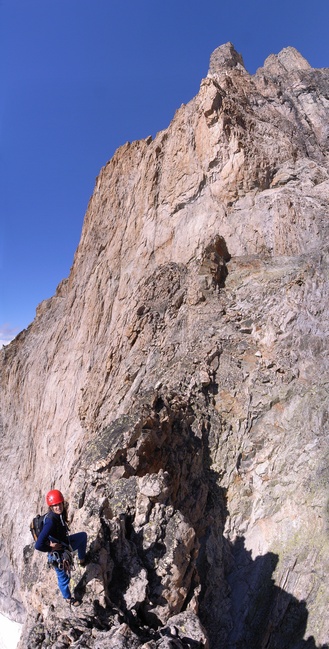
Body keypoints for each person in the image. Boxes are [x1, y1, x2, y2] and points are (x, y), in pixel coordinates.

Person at [35, 489, 87, 606]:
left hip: (64, 545)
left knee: (82, 537)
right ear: (51, 507)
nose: (58, 507)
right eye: (55, 505)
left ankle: (82, 560)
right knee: (63, 578)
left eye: (59, 504)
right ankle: (68, 598)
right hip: (57, 554)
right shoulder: (50, 521)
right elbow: (38, 545)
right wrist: (50, 548)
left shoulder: (59, 515)